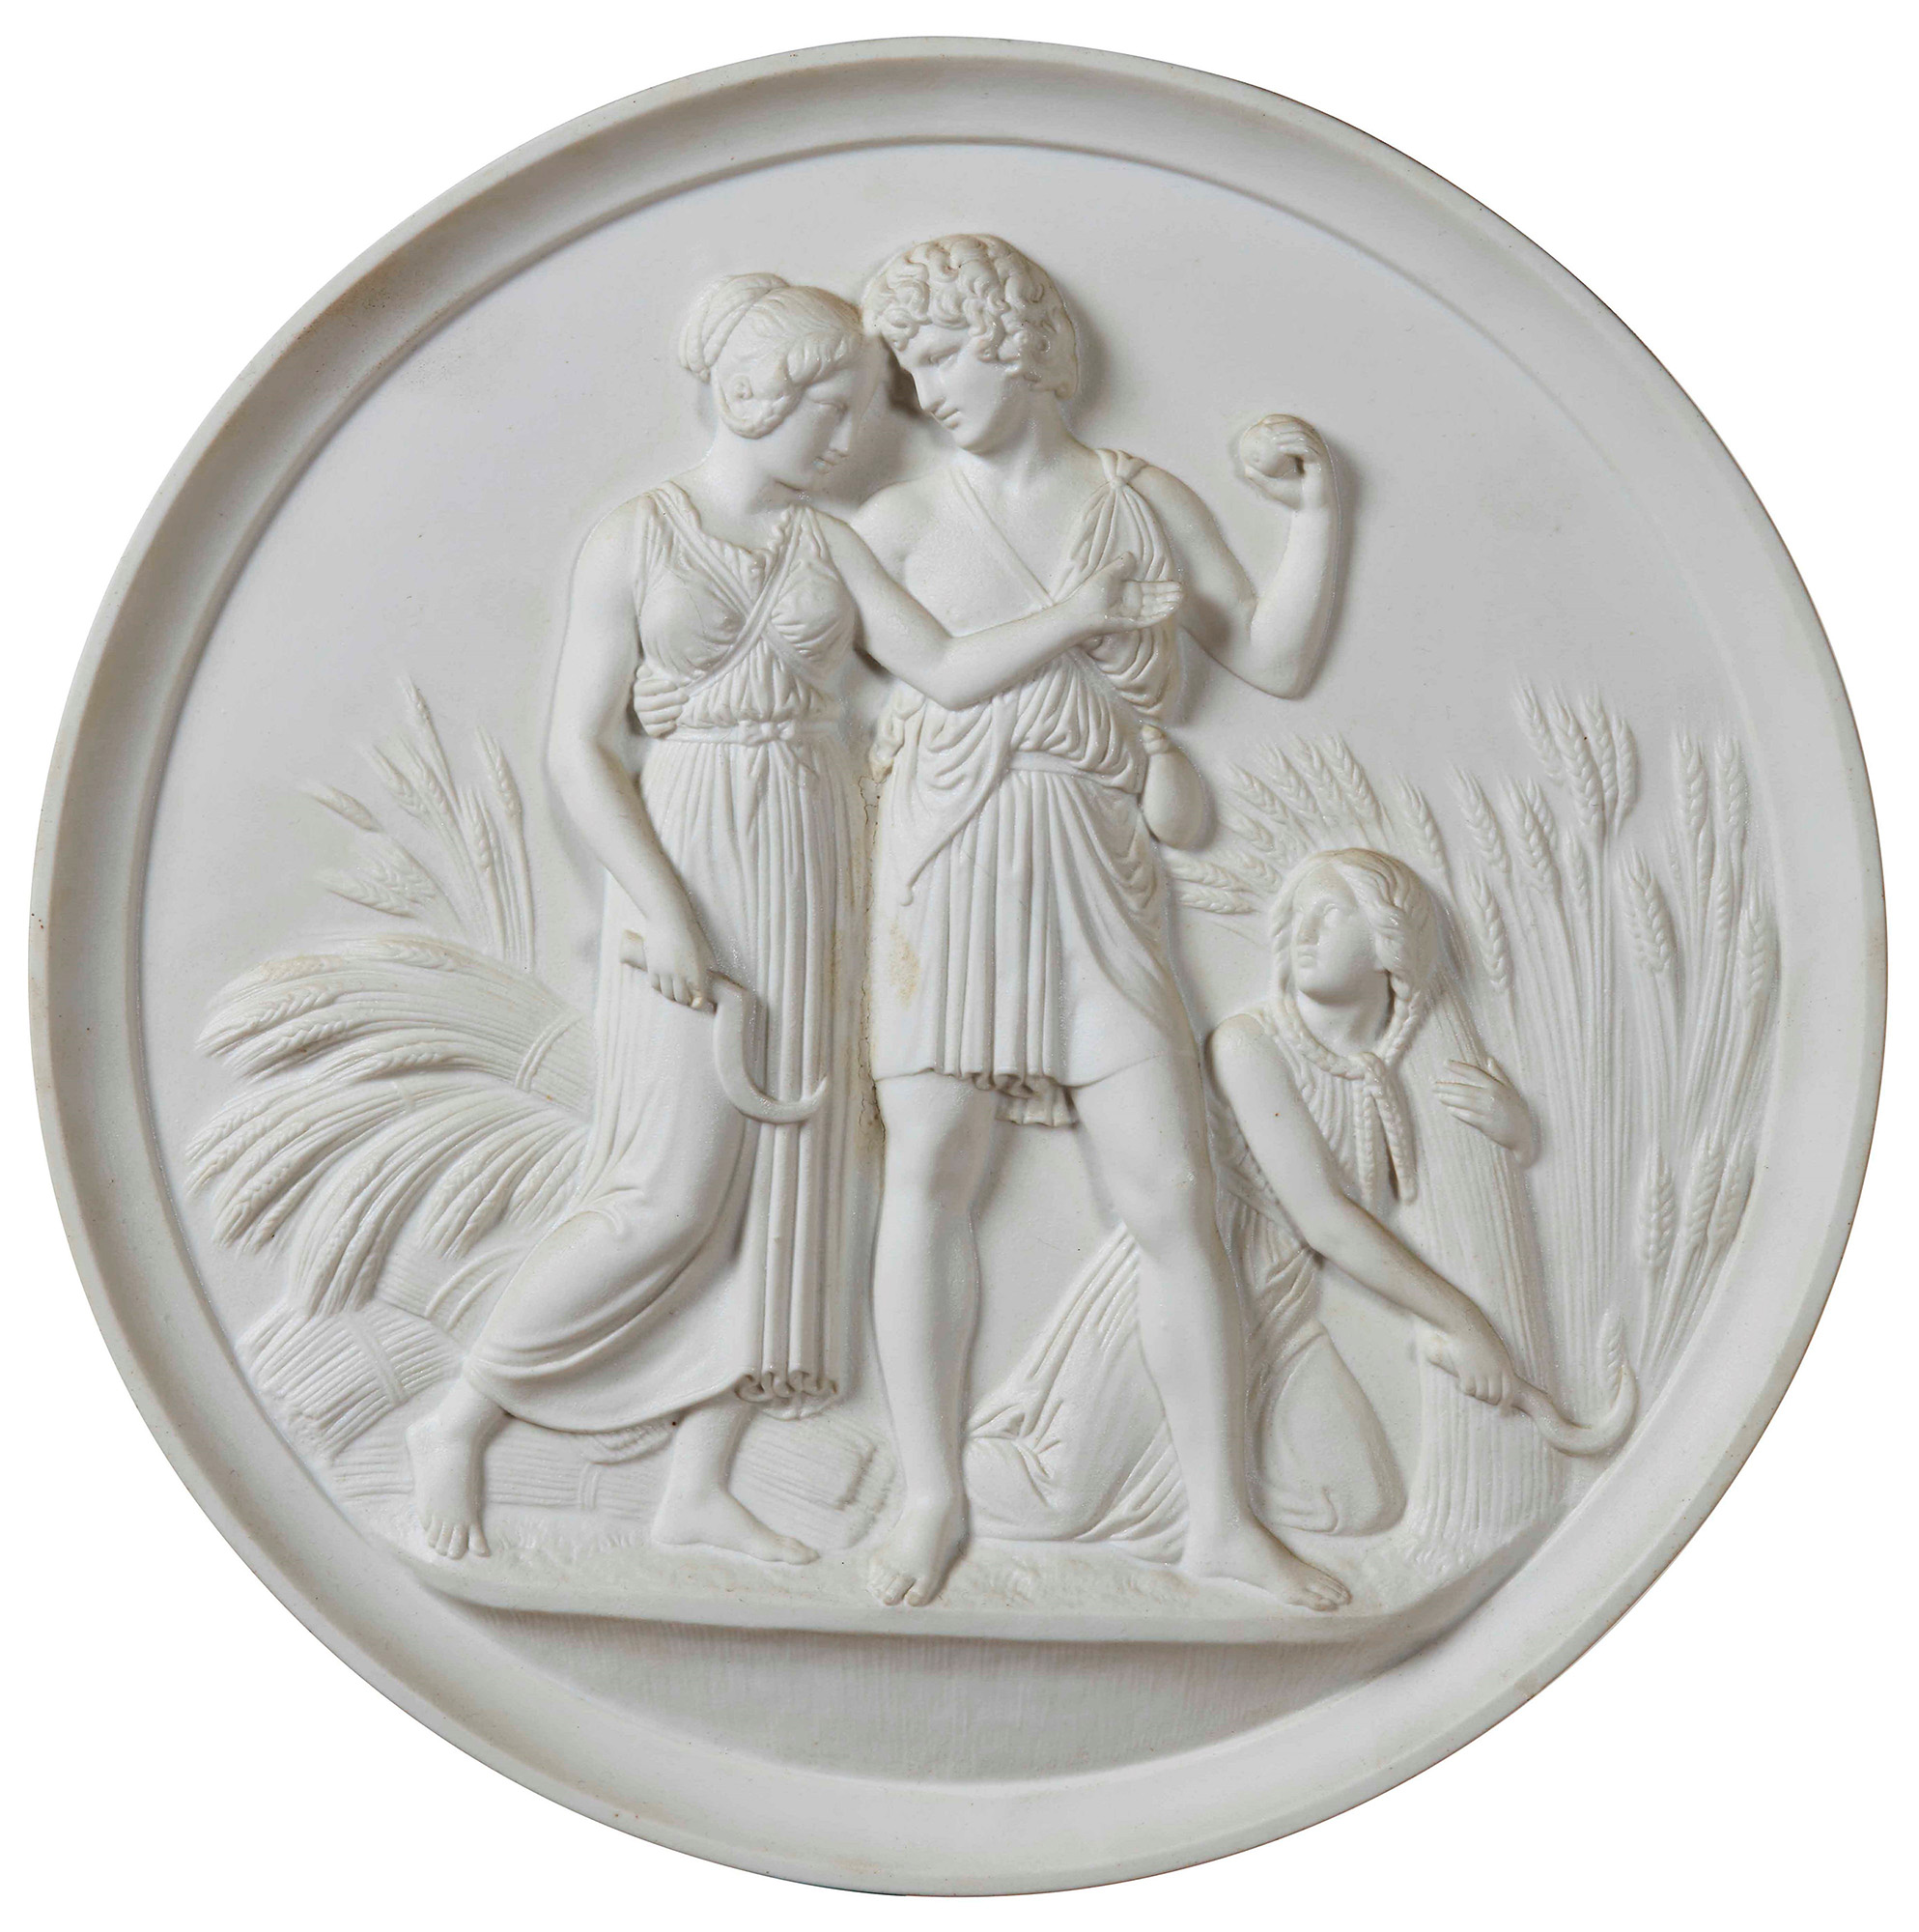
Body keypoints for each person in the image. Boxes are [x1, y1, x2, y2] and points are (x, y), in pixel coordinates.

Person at [409, 272, 1177, 1562]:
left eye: (863, 410)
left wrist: (1077, 617)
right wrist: (661, 910)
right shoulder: (638, 535)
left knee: (789, 1181)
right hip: (691, 846)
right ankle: (462, 1416)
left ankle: (698, 1482)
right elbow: (576, 750)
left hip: (815, 853)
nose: (856, 436)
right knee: (665, 1188)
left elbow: (943, 668)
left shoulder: (827, 546)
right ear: (758, 392)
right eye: (836, 409)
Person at [853, 235, 1347, 1608]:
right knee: (930, 1167)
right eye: (903, 369)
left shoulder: (1139, 500)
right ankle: (928, 1496)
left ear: (1013, 337)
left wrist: (1318, 511)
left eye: (939, 354)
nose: (922, 391)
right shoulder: (896, 521)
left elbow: (1274, 658)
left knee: (1171, 1191)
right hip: (943, 859)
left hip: (1091, 856)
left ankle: (1219, 1519)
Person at [966, 848, 1537, 1564]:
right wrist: (1462, 1319)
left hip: (1279, 1310)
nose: (1302, 932)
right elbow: (1325, 1220)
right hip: (1186, 1295)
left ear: (1389, 939)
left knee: (1362, 1504)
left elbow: (1431, 1185)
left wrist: (1520, 1133)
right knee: (1058, 1498)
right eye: (1296, 916)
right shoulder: (1249, 1045)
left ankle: (1198, 1491)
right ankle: (901, 1479)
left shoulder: (1384, 1069)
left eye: (1330, 914)